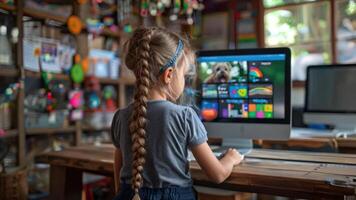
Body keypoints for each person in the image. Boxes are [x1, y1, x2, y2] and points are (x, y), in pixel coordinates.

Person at [111, 27, 244, 200]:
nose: (185, 81)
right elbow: (218, 174)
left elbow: (119, 172)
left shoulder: (120, 116)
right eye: (184, 74)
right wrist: (231, 158)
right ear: (169, 75)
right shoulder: (185, 116)